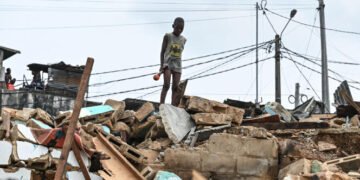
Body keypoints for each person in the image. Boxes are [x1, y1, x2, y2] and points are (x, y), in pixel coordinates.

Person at [159, 17, 186, 106]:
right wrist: (161, 65)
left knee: (175, 88)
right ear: (173, 26)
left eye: (181, 28)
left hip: (177, 66)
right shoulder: (168, 36)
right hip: (167, 64)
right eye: (177, 27)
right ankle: (161, 105)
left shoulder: (183, 40)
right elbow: (162, 51)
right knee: (166, 85)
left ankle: (173, 107)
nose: (179, 30)